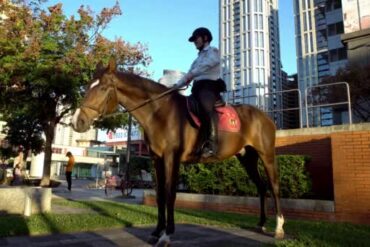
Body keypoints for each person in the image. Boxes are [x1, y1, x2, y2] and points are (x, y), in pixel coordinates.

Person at [175, 27, 226, 158]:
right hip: (197, 88)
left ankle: (212, 145)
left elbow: (207, 65)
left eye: (196, 38)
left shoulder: (213, 51)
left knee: (205, 107)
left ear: (205, 38)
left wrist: (191, 75)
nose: (194, 42)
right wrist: (175, 86)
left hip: (209, 87)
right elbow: (189, 74)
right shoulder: (197, 58)